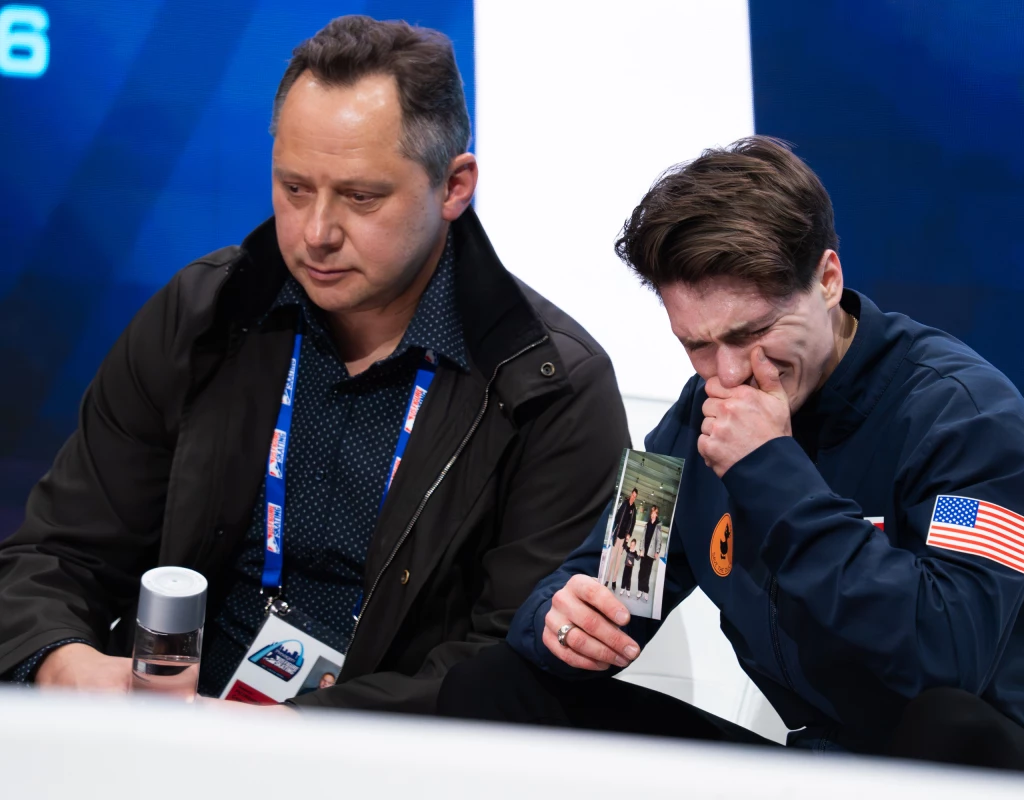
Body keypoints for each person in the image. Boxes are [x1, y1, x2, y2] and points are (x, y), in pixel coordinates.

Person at [438, 137, 1024, 784]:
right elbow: (610, 577)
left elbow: (943, 658)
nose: (731, 372)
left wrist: (770, 469)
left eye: (754, 332)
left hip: (1004, 774)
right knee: (495, 687)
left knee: (943, 723)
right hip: (821, 775)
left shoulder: (965, 419)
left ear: (827, 278)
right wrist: (559, 621)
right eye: (697, 345)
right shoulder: (693, 422)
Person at [0, 15, 629, 713]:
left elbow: (511, 667)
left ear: (454, 186)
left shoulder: (550, 389)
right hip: (167, 735)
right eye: (294, 188)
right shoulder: (202, 316)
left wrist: (295, 739)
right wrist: (61, 665)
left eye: (361, 197)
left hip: (392, 767)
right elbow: (56, 556)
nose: (317, 233)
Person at [603, 489, 638, 590]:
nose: (633, 497)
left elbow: (633, 523)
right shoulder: (625, 504)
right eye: (633, 495)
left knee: (618, 561)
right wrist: (614, 529)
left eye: (635, 496)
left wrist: (629, 534)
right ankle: (607, 579)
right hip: (617, 536)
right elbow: (618, 516)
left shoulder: (634, 509)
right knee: (612, 558)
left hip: (624, 540)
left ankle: (614, 581)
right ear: (631, 494)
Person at [636, 506, 660, 601]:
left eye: (655, 513)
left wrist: (657, 551)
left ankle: (645, 590)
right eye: (652, 512)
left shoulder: (658, 525)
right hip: (644, 552)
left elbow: (659, 540)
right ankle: (640, 590)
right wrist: (641, 549)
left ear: (657, 514)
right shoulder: (647, 524)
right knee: (641, 571)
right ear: (651, 513)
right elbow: (642, 537)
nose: (653, 514)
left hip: (651, 553)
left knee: (647, 572)